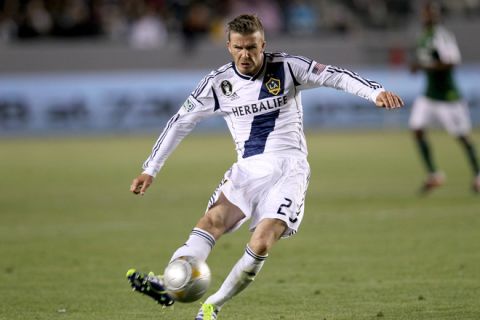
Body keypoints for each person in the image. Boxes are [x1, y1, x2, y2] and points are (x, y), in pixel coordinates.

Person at [126, 14, 403, 320]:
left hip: (289, 169)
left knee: (261, 241)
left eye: (252, 48)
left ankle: (212, 305)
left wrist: (374, 92)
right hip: (247, 170)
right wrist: (151, 168)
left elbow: (334, 76)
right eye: (239, 48)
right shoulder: (218, 84)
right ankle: (169, 283)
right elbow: (180, 123)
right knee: (211, 220)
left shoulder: (287, 67)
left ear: (263, 45)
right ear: (229, 47)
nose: (246, 55)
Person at [409, 1, 480, 193]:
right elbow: (426, 61)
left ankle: (478, 174)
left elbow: (451, 62)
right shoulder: (423, 37)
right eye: (424, 13)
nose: (426, 16)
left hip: (449, 96)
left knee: (462, 136)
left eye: (429, 13)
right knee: (416, 128)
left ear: (436, 16)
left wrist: (424, 67)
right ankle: (434, 174)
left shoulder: (442, 36)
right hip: (429, 95)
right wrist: (417, 66)